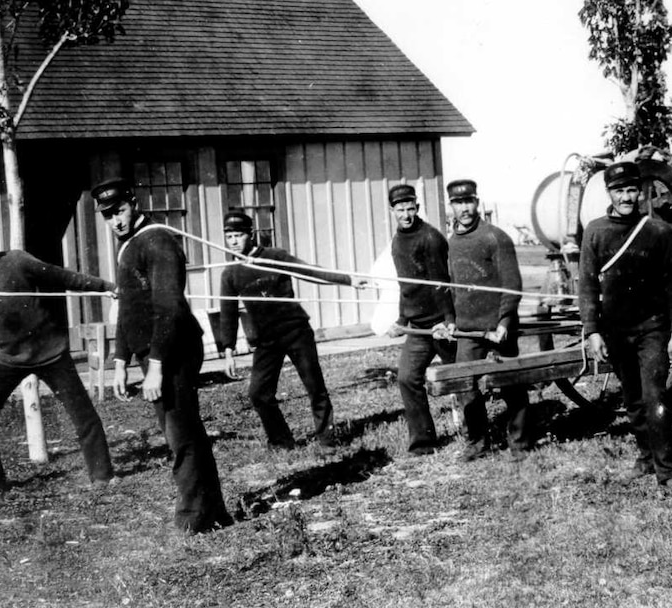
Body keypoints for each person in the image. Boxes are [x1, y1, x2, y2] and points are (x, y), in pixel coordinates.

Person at [91, 178, 232, 533]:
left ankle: (192, 519)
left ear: (134, 203)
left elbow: (168, 308)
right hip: (154, 351)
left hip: (176, 350)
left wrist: (155, 367)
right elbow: (129, 308)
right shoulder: (129, 245)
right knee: (184, 430)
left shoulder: (157, 241)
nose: (116, 221)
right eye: (108, 215)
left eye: (119, 211)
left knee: (179, 433)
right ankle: (212, 511)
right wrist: (120, 361)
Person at [0, 208, 115, 493]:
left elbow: (62, 277)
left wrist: (104, 287)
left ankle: (103, 475)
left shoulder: (16, 260)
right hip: (11, 359)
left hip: (50, 352)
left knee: (82, 413)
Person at [578, 162, 672, 492]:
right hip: (615, 330)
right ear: (609, 194)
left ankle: (669, 471)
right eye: (619, 191)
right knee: (633, 400)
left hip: (652, 328)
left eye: (631, 190)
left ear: (640, 192)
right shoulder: (595, 231)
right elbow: (586, 284)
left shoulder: (657, 231)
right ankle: (645, 457)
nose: (626, 197)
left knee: (656, 397)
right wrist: (593, 330)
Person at [218, 211, 356, 450]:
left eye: (238, 235)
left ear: (250, 235)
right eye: (229, 236)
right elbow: (227, 311)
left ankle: (327, 439)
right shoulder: (231, 272)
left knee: (315, 386)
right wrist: (228, 349)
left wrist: (348, 280)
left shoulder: (275, 256)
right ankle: (281, 441)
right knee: (258, 393)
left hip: (295, 331)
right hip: (266, 340)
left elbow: (309, 272)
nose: (234, 241)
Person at [446, 179, 532, 461]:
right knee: (465, 386)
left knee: (511, 383)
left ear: (477, 202)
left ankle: (520, 442)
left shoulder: (495, 237)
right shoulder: (452, 243)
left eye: (468, 201)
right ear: (452, 207)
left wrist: (505, 322)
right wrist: (450, 321)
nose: (465, 208)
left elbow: (512, 284)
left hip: (497, 327)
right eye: (458, 203)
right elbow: (451, 287)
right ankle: (477, 442)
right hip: (468, 331)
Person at [385, 183, 456, 456]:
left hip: (441, 324)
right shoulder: (397, 241)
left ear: (417, 207)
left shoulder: (431, 238)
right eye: (400, 210)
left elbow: (443, 284)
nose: (406, 215)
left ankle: (479, 434)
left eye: (410, 208)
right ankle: (423, 443)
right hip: (418, 327)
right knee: (407, 378)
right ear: (392, 211)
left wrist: (449, 321)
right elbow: (407, 286)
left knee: (463, 376)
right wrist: (402, 319)